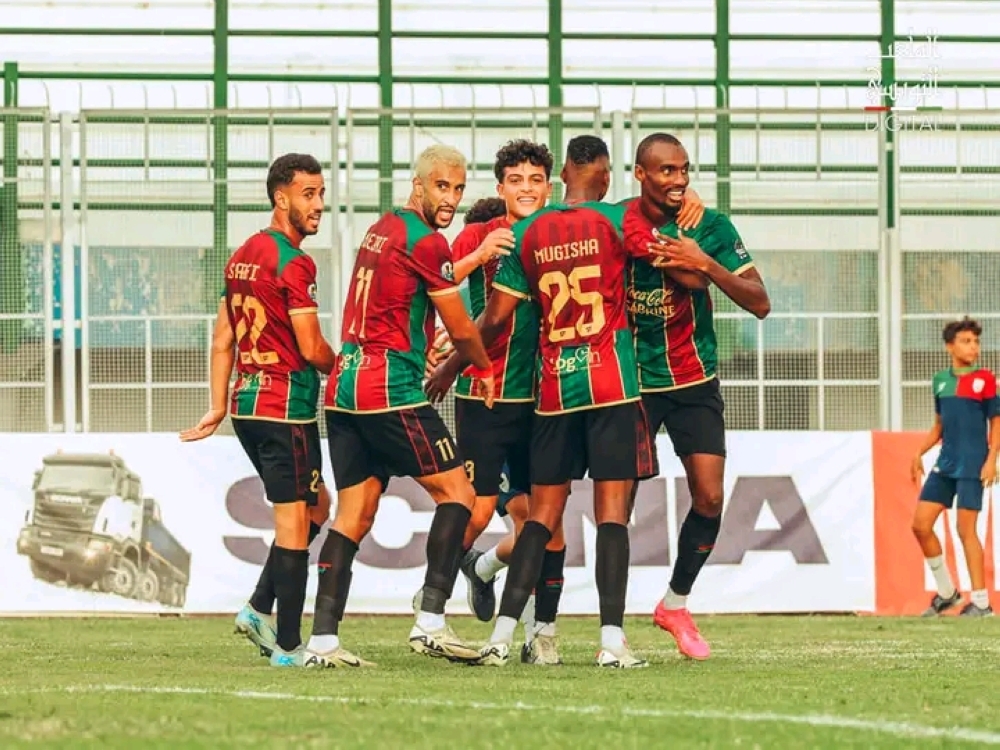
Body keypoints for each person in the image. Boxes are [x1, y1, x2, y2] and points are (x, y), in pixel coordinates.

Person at [442, 165, 682, 669]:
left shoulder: (530, 232)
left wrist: (451, 362)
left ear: (560, 179)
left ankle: (501, 638)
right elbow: (665, 247)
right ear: (607, 176)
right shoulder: (618, 219)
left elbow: (493, 315)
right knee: (611, 517)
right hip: (610, 385)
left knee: (542, 519)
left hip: (551, 391)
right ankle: (611, 642)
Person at [301, 144, 496, 668]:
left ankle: (323, 641)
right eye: (442, 187)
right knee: (459, 493)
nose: (451, 198)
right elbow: (460, 326)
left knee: (354, 514)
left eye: (458, 188)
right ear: (419, 184)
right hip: (388, 388)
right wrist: (483, 366)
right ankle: (431, 620)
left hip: (344, 388)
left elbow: (404, 303)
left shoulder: (382, 228)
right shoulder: (428, 242)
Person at [180, 153, 337, 667]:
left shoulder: (243, 255)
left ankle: (257, 607)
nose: (319, 204)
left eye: (320, 193)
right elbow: (312, 349)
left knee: (318, 508)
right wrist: (348, 367)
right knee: (295, 522)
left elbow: (222, 338)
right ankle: (289, 647)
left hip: (250, 408)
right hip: (284, 408)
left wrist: (218, 405)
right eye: (308, 194)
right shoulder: (295, 262)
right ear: (281, 198)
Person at [622, 132, 771, 661]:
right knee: (618, 506)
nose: (678, 180)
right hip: (633, 384)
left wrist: (704, 261)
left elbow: (760, 303)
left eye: (683, 170)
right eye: (665, 171)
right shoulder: (619, 221)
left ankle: (675, 603)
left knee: (709, 498)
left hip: (694, 381)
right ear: (640, 174)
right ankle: (608, 632)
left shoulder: (713, 226)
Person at [425, 140, 565, 665]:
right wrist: (454, 359)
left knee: (542, 522)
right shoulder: (481, 232)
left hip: (543, 399)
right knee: (478, 508)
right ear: (501, 187)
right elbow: (438, 280)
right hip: (483, 393)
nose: (526, 187)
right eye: (516, 179)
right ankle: (430, 608)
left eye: (535, 179)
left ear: (547, 187)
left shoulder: (556, 233)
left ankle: (531, 624)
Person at [911, 317, 998, 618]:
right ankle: (947, 593)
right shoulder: (940, 381)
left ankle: (982, 604)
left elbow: (996, 422)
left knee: (965, 530)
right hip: (945, 464)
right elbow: (939, 426)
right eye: (966, 341)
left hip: (973, 464)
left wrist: (992, 460)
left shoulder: (985, 380)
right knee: (920, 524)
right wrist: (919, 452)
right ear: (950, 346)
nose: (973, 346)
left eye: (975, 341)